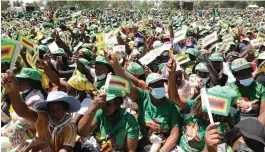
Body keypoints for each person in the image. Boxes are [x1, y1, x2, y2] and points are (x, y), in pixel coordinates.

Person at [105, 52, 182, 152]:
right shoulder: (143, 96)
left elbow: (174, 133)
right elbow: (126, 83)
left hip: (163, 145)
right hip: (144, 141)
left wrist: (162, 150)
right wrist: (115, 64)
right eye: (156, 85)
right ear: (149, 88)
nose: (160, 86)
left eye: (161, 84)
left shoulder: (170, 105)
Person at [2, 71, 81, 152]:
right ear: (47, 110)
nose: (54, 113)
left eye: (59, 109)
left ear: (65, 110)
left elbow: (65, 150)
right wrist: (13, 91)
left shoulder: (70, 127)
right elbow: (23, 111)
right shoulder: (43, 117)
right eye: (51, 110)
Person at [1, 68, 46, 151]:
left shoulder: (36, 99)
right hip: (11, 133)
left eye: (21, 80)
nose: (18, 83)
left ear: (29, 83)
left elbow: (21, 120)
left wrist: (13, 92)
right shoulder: (24, 94)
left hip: (23, 140)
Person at [229, 58, 265, 124]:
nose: (245, 76)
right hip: (236, 124)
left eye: (247, 72)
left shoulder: (261, 89)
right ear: (235, 76)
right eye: (241, 74)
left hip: (254, 123)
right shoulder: (230, 88)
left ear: (250, 71)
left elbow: (263, 113)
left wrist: (258, 129)